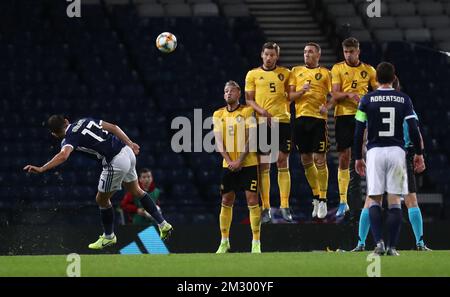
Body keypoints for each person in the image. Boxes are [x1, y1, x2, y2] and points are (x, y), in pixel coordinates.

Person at [23, 115, 173, 249]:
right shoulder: (84, 120)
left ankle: (109, 237)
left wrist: (42, 168)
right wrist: (130, 143)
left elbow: (63, 156)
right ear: (66, 121)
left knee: (101, 199)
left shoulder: (68, 139)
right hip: (126, 151)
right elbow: (113, 127)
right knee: (137, 191)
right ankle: (163, 224)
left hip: (115, 161)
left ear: (54, 134)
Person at [351, 77, 431, 252]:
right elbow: (415, 132)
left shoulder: (372, 102)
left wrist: (363, 153)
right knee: (409, 199)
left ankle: (361, 243)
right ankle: (419, 242)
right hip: (401, 154)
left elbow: (362, 132)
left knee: (371, 200)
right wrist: (420, 154)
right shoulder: (404, 103)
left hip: (377, 152)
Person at [245, 42, 292, 223]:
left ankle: (285, 206)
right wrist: (261, 111)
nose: (269, 58)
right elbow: (249, 99)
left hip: (283, 121)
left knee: (282, 160)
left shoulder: (286, 74)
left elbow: (292, 94)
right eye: (266, 54)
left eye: (272, 55)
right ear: (262, 55)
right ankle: (266, 208)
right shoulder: (253, 74)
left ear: (277, 56)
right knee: (264, 165)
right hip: (262, 122)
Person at [331, 37, 378, 218]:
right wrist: (350, 95)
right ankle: (344, 201)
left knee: (365, 152)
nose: (348, 55)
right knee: (344, 156)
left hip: (363, 115)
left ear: (358, 52)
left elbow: (376, 92)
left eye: (351, 51)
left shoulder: (369, 70)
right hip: (343, 114)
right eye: (346, 52)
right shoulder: (337, 68)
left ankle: (372, 194)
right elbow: (334, 94)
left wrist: (365, 100)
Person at [213, 80, 262, 253]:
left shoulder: (248, 111)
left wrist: (240, 160)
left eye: (231, 91)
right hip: (228, 166)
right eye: (226, 91)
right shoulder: (218, 114)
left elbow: (251, 137)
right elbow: (218, 142)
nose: (228, 94)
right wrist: (230, 161)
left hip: (248, 164)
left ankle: (256, 242)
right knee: (226, 201)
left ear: (239, 93)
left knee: (252, 200)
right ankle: (224, 241)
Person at [288, 42, 331, 219]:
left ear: (318, 55)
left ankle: (323, 199)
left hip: (318, 120)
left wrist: (327, 106)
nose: (307, 54)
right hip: (300, 120)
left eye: (311, 52)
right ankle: (315, 195)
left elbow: (335, 95)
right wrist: (301, 91)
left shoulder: (326, 74)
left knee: (319, 159)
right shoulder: (295, 71)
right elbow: (289, 97)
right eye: (305, 52)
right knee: (305, 160)